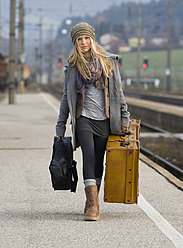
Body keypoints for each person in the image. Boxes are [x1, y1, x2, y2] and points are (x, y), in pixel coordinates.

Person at [56, 22, 130, 221]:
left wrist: (125, 118)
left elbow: (118, 94)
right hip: (84, 118)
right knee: (88, 156)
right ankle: (94, 207)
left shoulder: (108, 62)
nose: (84, 42)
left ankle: (91, 199)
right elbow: (66, 98)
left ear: (92, 39)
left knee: (99, 161)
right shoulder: (72, 67)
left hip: (105, 120)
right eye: (79, 39)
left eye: (86, 38)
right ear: (75, 42)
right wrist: (60, 125)